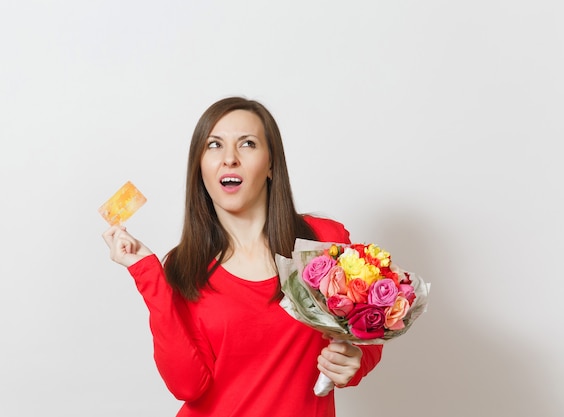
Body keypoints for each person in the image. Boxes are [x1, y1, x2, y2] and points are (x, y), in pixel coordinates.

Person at [102, 97, 383, 417]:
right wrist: (145, 272)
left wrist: (355, 362)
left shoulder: (325, 242)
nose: (229, 159)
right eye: (214, 146)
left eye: (247, 144)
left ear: (272, 164)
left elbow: (366, 335)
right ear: (200, 168)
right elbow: (187, 386)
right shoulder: (184, 265)